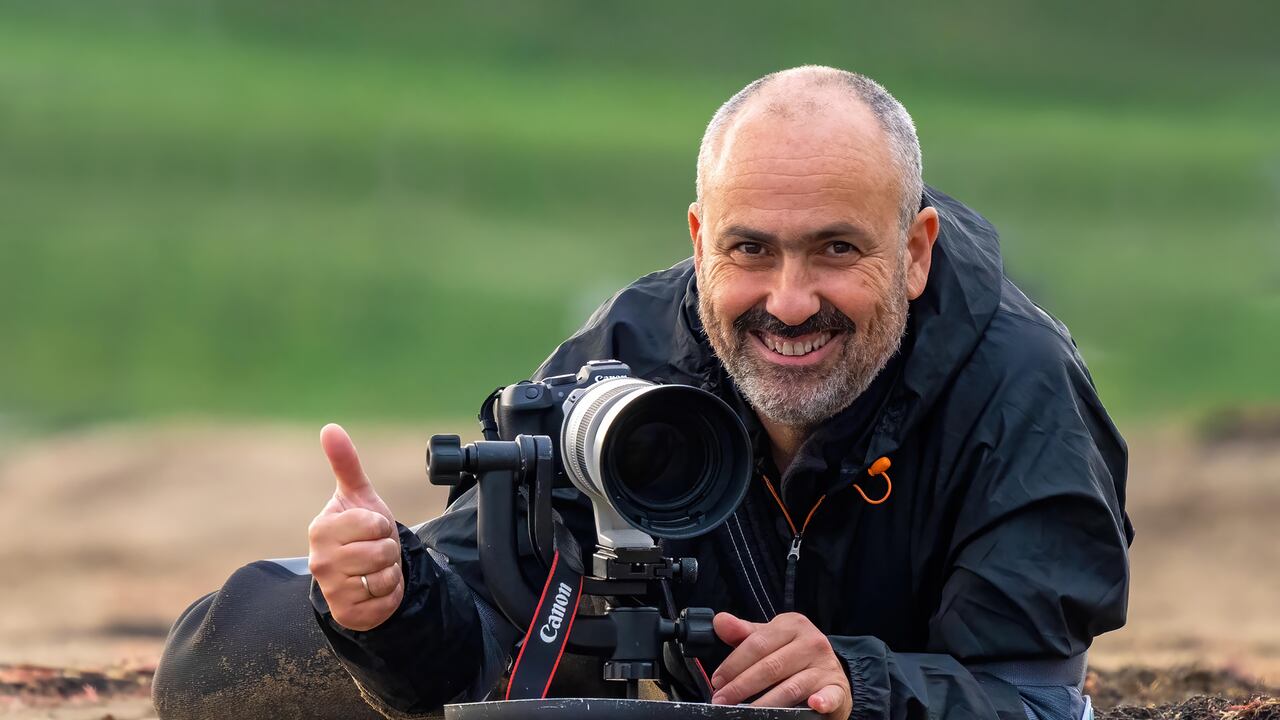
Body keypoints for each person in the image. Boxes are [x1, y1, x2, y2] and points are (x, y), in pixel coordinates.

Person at [153, 65, 1132, 720]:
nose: (788, 302)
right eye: (749, 250)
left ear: (913, 252)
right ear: (700, 240)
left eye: (836, 249)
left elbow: (1035, 697)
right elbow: (483, 640)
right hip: (624, 649)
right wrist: (384, 602)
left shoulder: (1017, 392)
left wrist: (863, 680)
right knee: (223, 670)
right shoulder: (629, 347)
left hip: (895, 684)